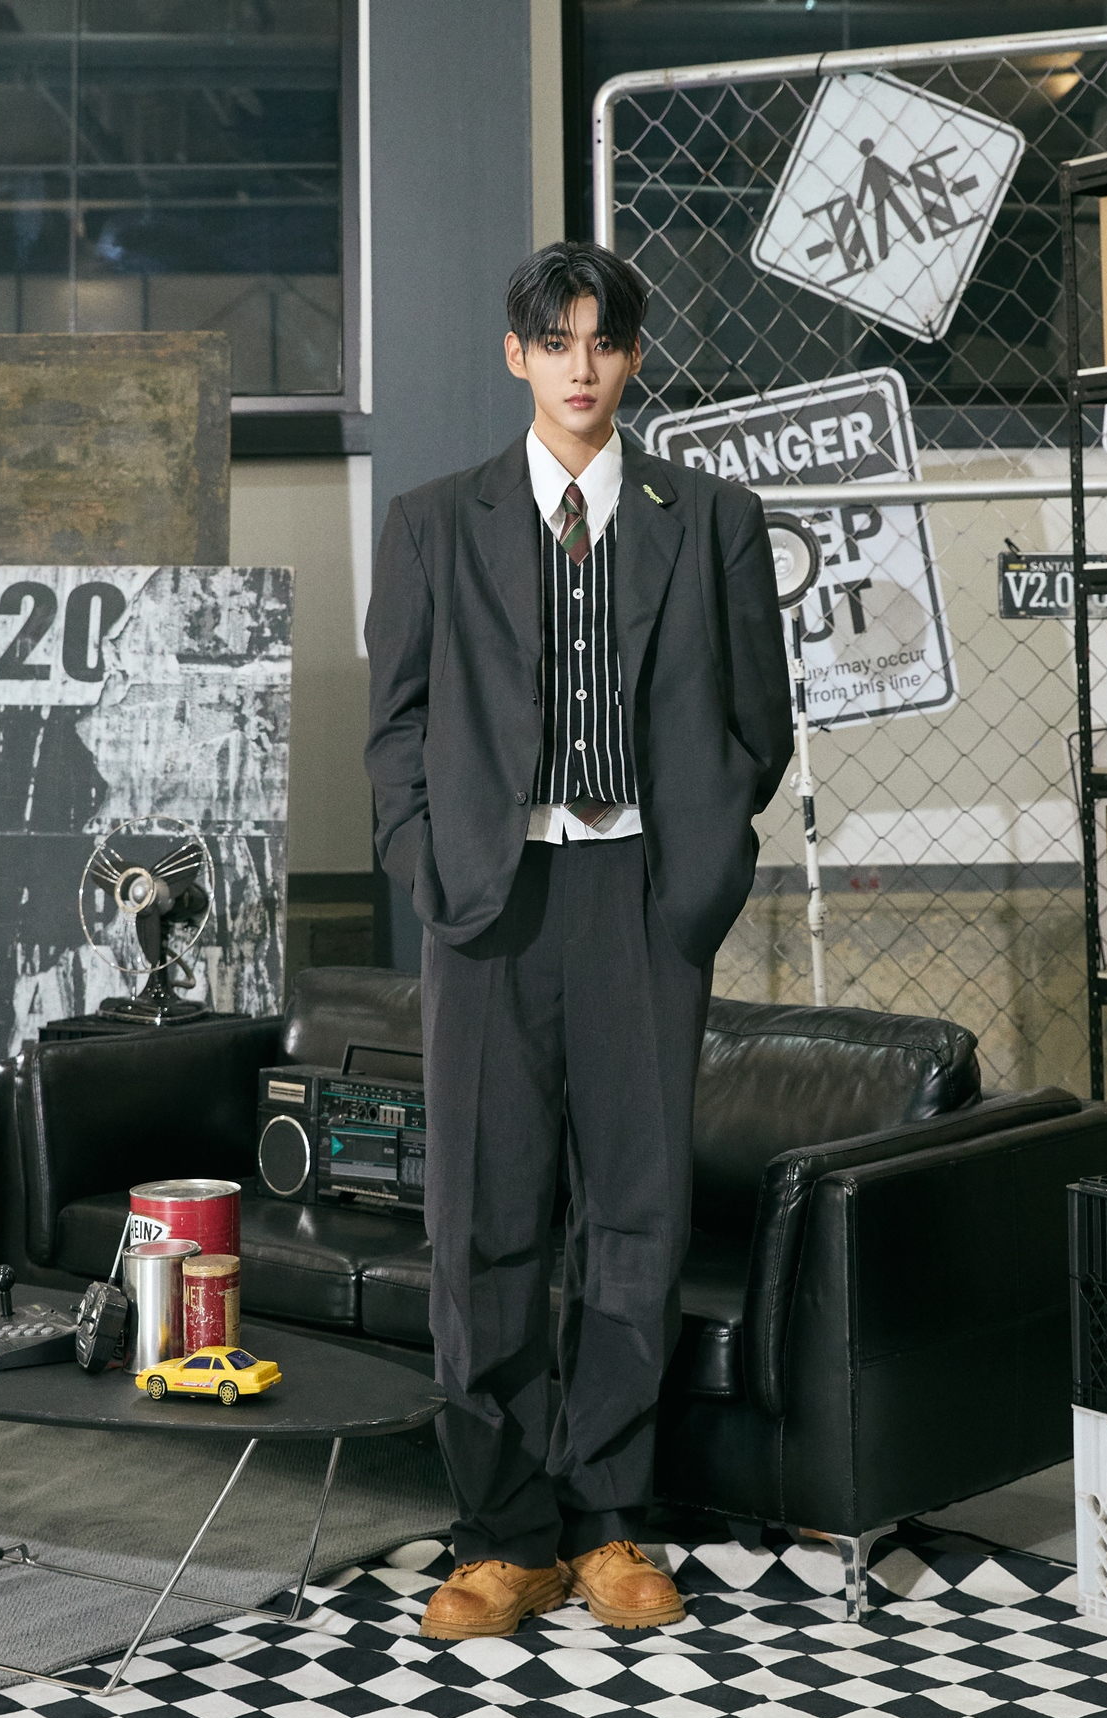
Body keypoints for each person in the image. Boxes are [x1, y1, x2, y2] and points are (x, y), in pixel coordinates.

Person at [364, 240, 793, 1640]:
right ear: (519, 356)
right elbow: (397, 728)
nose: (583, 367)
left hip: (641, 899)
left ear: (635, 356)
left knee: (635, 1218)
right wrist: (428, 863)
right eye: (557, 342)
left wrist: (703, 864)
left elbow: (759, 724)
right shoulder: (435, 522)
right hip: (491, 903)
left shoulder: (712, 519)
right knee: (483, 1221)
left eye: (605, 341)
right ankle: (503, 1539)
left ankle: (609, 1523)